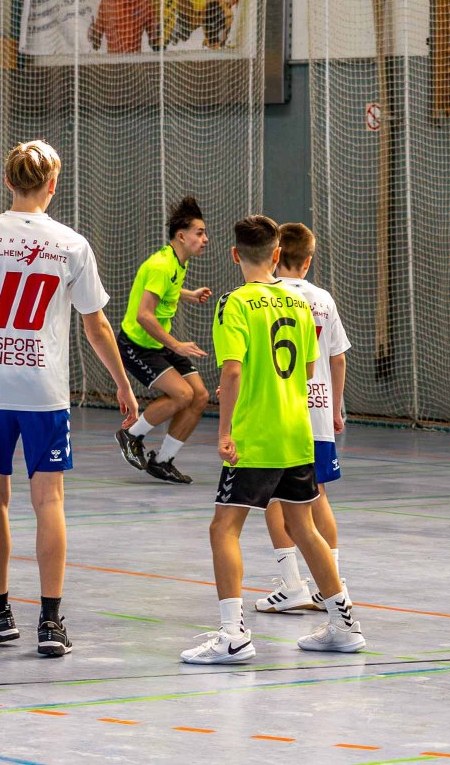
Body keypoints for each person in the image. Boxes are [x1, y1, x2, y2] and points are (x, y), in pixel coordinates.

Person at [0, 140, 138, 657]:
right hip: (44, 390)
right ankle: (50, 622)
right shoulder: (72, 244)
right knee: (49, 501)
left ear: (8, 181)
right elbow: (96, 326)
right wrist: (122, 382)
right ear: (52, 184)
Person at [180, 215, 363, 664]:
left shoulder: (235, 302)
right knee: (304, 527)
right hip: (297, 431)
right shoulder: (300, 304)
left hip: (256, 435)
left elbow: (233, 370)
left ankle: (233, 636)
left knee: (223, 528)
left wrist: (225, 431)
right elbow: (306, 369)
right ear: (276, 255)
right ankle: (345, 626)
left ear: (235, 254)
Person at [255, 222, 354, 614]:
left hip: (280, 409)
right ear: (309, 260)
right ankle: (331, 583)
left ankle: (292, 583)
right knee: (318, 495)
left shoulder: (265, 296)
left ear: (275, 255)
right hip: (318, 408)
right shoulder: (323, 299)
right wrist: (335, 407)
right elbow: (338, 357)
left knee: (272, 497)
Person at [114, 196, 213, 484]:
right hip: (137, 345)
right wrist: (176, 345)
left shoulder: (177, 263)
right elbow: (144, 315)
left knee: (200, 396)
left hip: (159, 343)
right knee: (182, 394)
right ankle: (131, 435)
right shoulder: (161, 265)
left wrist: (189, 294)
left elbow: (166, 289)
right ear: (181, 236)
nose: (205, 239)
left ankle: (163, 461)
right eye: (199, 233)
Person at [88, 0, 160, 54]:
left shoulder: (143, 0)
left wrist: (157, 31)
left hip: (135, 60)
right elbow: (96, 45)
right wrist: (92, 35)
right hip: (112, 61)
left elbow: (153, 41)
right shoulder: (107, 1)